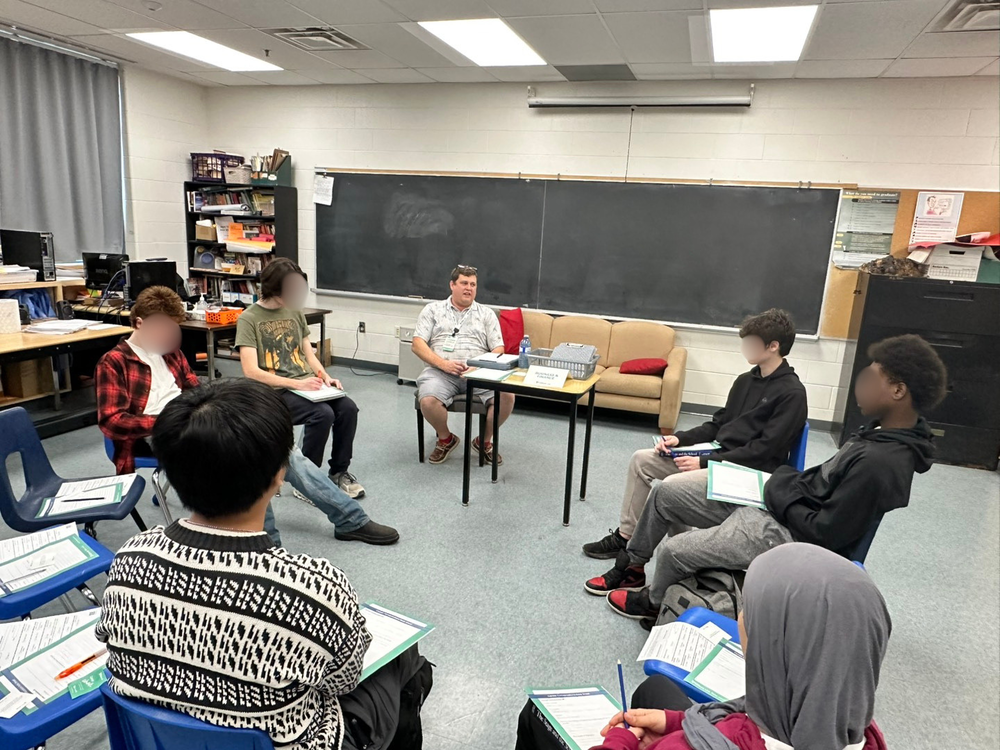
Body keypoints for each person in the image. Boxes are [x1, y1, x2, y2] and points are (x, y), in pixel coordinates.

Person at [97, 380, 431, 750]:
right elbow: (344, 679)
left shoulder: (129, 559)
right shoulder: (313, 588)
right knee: (407, 660)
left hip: (158, 741)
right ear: (279, 477)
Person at [591, 333, 946, 621]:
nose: (861, 386)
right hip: (776, 503)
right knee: (665, 494)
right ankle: (631, 564)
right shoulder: (878, 433)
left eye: (873, 379)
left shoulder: (881, 462)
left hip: (786, 532)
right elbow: (819, 486)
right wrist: (780, 487)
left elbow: (824, 533)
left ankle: (654, 605)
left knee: (673, 550)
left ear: (898, 391)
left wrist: (778, 488)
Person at [97, 285, 397, 546]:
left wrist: (218, 408)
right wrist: (175, 419)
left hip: (194, 419)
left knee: (278, 449)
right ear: (139, 322)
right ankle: (268, 542)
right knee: (247, 456)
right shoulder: (114, 362)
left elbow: (194, 388)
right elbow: (112, 421)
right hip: (158, 432)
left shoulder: (168, 352)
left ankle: (348, 520)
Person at [516, 543, 891, 750]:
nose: (741, 617)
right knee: (655, 691)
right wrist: (680, 721)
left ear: (769, 648)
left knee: (535, 714)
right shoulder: (860, 730)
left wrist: (621, 742)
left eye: (749, 608)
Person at [584, 309, 807, 560]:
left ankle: (677, 551)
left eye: (751, 342)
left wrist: (703, 462)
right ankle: (625, 538)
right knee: (641, 460)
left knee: (670, 487)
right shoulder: (745, 381)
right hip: (718, 457)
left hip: (747, 473)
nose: (745, 347)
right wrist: (680, 439)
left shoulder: (792, 394)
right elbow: (718, 425)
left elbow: (763, 452)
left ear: (773, 346)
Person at [237, 257, 365, 500]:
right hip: (273, 391)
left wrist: (325, 376)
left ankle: (339, 472)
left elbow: (309, 354)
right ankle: (307, 480)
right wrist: (297, 383)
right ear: (274, 290)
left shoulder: (295, 312)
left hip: (306, 385)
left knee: (348, 408)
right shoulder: (249, 318)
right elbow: (250, 371)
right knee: (322, 414)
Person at [412, 265, 515, 465]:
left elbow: (498, 348)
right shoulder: (433, 310)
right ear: (452, 285)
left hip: (479, 373)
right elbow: (417, 345)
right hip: (440, 372)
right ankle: (446, 439)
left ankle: (484, 442)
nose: (468, 288)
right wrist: (444, 364)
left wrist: (480, 366)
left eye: (473, 285)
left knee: (507, 397)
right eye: (464, 283)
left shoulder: (486, 314)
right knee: (428, 401)